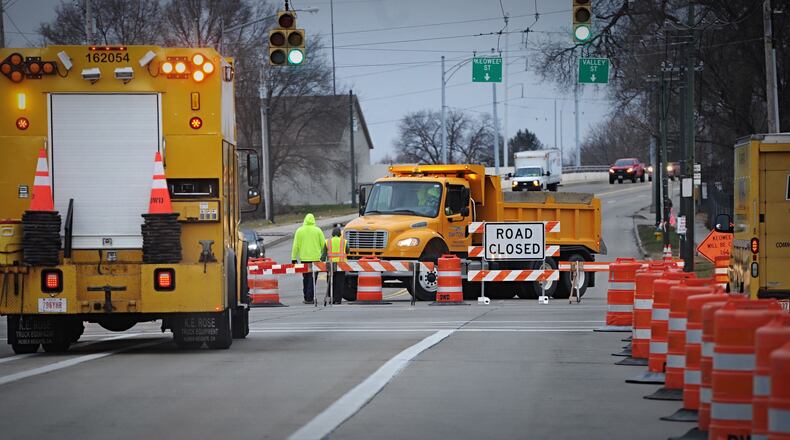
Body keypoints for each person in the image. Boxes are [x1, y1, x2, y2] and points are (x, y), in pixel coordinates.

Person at [291, 213, 326, 304]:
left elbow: (295, 246)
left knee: (306, 278)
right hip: (315, 259)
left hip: (304, 259)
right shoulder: (318, 231)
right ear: (314, 220)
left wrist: (294, 258)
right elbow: (323, 245)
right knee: (312, 278)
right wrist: (323, 256)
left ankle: (306, 297)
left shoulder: (299, 231)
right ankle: (310, 297)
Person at [322, 225, 348, 304]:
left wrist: (321, 262)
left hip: (330, 266)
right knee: (339, 283)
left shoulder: (327, 241)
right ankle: (338, 300)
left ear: (332, 234)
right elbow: (348, 251)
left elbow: (324, 254)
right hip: (341, 265)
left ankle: (331, 298)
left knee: (330, 282)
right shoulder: (344, 241)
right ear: (340, 234)